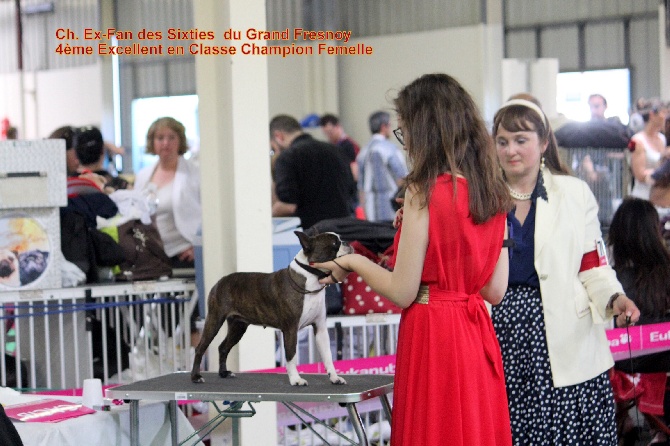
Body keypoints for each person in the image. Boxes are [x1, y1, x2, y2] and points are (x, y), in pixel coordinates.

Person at [313, 73, 514, 445]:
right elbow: (495, 289)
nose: (403, 143)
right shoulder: (493, 195)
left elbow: (403, 291)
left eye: (404, 131)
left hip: (432, 332)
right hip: (474, 334)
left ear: (426, 130)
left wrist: (352, 261)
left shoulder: (424, 192)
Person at [490, 97, 640, 445]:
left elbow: (593, 266)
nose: (511, 149)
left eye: (521, 140)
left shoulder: (575, 194)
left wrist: (615, 298)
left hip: (568, 341)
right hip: (499, 338)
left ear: (543, 143)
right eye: (502, 141)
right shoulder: (481, 197)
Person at [607, 196, 670, 444]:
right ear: (655, 232)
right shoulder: (666, 276)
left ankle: (623, 420)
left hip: (622, 369)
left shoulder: (611, 284)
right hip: (664, 367)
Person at [134, 117, 201, 269]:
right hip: (152, 253)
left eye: (171, 138)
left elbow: (209, 215)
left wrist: (198, 247)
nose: (166, 143)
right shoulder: (143, 175)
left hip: (184, 253)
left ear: (180, 141)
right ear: (152, 142)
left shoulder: (195, 174)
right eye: (160, 138)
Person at [270, 114, 356, 230]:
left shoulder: (287, 157)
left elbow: (288, 202)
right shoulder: (336, 150)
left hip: (312, 234)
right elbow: (351, 189)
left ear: (278, 136)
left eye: (273, 148)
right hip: (344, 230)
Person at [357, 111, 408, 222]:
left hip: (370, 209)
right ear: (384, 126)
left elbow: (360, 186)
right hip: (390, 207)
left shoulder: (363, 152)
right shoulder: (390, 149)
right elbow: (403, 178)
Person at [628, 98, 669, 201]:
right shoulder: (636, 140)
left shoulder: (662, 138)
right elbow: (639, 175)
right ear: (652, 115)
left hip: (659, 196)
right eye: (664, 113)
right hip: (643, 198)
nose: (666, 117)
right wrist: (663, 171)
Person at [319, 113, 360, 180]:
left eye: (330, 132)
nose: (329, 136)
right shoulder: (331, 146)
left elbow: (354, 169)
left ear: (338, 126)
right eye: (326, 133)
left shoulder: (349, 145)